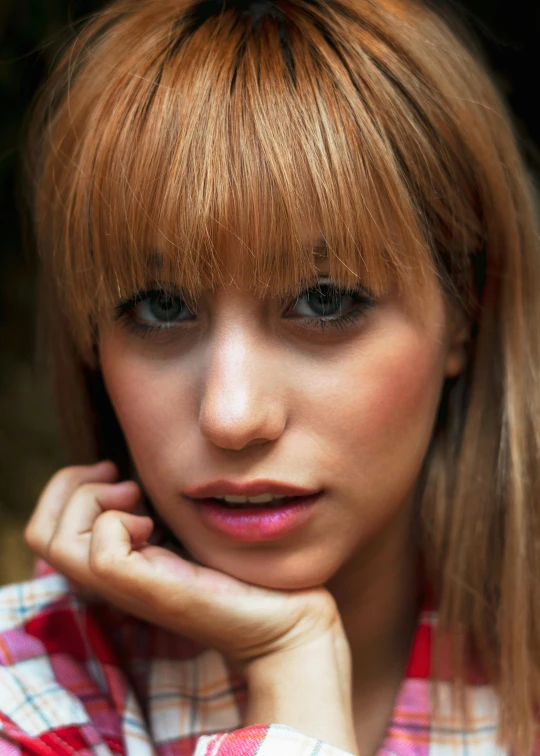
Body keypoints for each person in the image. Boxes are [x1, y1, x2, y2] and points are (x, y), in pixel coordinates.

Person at [1, 0, 539, 752]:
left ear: (464, 312)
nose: (233, 415)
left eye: (325, 300)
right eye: (160, 306)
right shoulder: (26, 689)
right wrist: (291, 667)